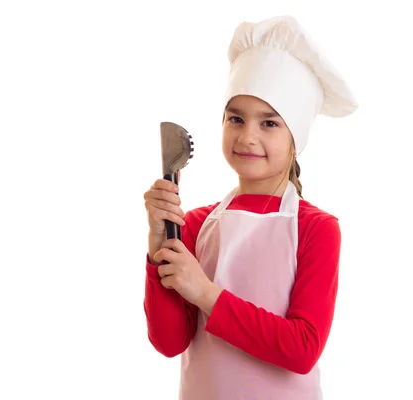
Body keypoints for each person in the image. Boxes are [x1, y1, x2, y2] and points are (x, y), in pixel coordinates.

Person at [143, 15, 358, 399]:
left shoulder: (317, 228)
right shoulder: (194, 223)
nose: (247, 136)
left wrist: (205, 293)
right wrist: (158, 246)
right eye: (236, 119)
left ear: (297, 135)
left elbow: (302, 348)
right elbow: (170, 342)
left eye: (269, 123)